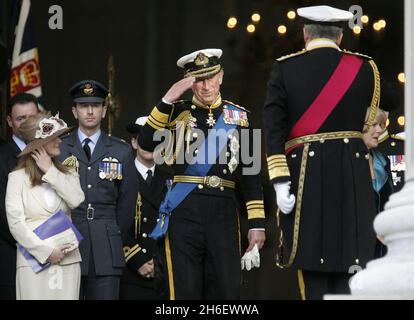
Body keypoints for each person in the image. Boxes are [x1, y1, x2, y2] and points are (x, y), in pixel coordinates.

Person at [263, 5, 398, 300]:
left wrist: (280, 180)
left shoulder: (285, 67)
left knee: (313, 268)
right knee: (352, 267)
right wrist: (370, 130)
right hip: (352, 175)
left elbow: (273, 129)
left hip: (304, 178)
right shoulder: (364, 66)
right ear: (339, 37)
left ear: (305, 35)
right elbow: (391, 98)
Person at [138, 48, 266, 299]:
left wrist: (257, 224)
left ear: (221, 77)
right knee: (184, 290)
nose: (206, 86)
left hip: (223, 213)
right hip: (184, 211)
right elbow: (145, 143)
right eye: (198, 80)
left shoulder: (240, 118)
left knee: (225, 290)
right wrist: (168, 98)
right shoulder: (174, 113)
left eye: (210, 77)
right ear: (189, 82)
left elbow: (251, 176)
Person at [58, 80, 132, 299]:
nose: (90, 111)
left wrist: (113, 234)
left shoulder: (122, 150)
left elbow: (127, 205)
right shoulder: (59, 148)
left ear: (104, 110)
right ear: (74, 110)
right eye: (83, 105)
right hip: (67, 241)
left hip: (107, 246)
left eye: (96, 105)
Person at [5, 111, 84, 300]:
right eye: (55, 137)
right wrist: (46, 252)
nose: (60, 141)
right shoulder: (16, 178)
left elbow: (76, 200)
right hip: (33, 261)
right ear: (38, 145)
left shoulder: (68, 172)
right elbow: (16, 223)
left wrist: (50, 170)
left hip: (68, 261)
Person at [118, 116, 172, 300]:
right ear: (134, 142)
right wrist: (136, 258)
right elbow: (112, 221)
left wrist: (161, 262)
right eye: (145, 139)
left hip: (164, 270)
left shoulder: (172, 179)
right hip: (131, 268)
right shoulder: (119, 176)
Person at [0, 93, 39, 299]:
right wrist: (36, 244)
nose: (26, 124)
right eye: (20, 118)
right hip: (12, 254)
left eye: (31, 117)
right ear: (9, 121)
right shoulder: (2, 158)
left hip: (53, 256)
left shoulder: (54, 152)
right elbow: (3, 216)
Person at [362, 108, 393, 258]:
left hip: (386, 251)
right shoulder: (346, 164)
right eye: (374, 124)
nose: (379, 130)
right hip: (359, 253)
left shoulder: (383, 162)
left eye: (381, 124)